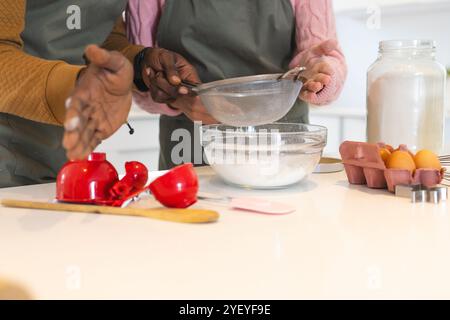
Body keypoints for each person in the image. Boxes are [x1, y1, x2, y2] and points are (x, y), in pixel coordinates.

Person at [123, 0, 348, 170]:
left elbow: (322, 53)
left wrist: (322, 73)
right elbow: (140, 75)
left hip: (281, 146)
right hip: (190, 145)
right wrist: (179, 99)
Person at [0, 1, 192, 187]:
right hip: (9, 152)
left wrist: (140, 63)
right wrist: (77, 83)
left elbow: (103, 37)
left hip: (65, 155)